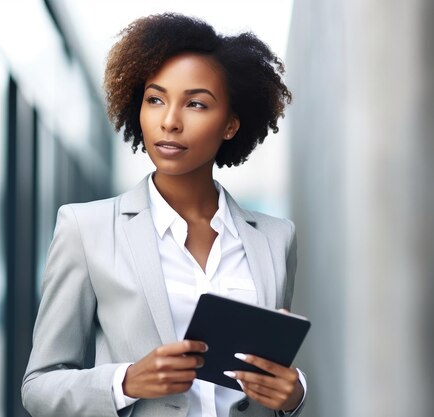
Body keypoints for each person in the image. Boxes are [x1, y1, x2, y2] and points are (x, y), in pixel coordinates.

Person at [22, 12, 306, 417]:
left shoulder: (277, 238)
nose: (170, 122)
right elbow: (38, 387)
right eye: (155, 99)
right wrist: (126, 382)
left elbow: (272, 373)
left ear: (230, 125)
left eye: (195, 104)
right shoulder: (86, 229)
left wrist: (293, 395)